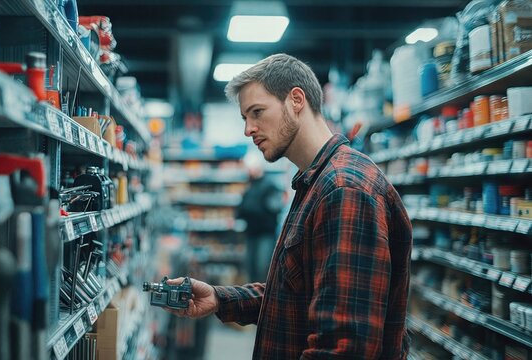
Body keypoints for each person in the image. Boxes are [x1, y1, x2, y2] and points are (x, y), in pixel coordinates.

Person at [166, 53, 412, 359]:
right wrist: (220, 298)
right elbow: (297, 294)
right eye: (245, 117)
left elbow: (344, 347)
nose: (248, 129)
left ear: (296, 100)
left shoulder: (344, 188)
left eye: (257, 112)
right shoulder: (315, 181)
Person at [236, 152, 284, 282]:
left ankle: (262, 299)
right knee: (251, 268)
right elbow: (241, 209)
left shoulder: (270, 186)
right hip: (251, 233)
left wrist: (249, 210)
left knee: (262, 268)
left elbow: (273, 209)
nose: (248, 171)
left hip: (265, 235)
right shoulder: (250, 186)